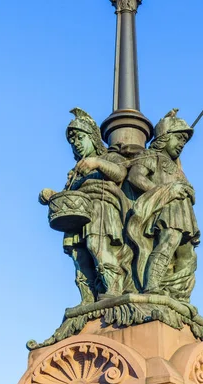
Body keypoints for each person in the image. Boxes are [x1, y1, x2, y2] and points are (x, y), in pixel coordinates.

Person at [39, 108, 134, 304]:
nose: (76, 145)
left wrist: (97, 163)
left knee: (96, 246)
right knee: (79, 256)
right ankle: (88, 298)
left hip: (101, 209)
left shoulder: (109, 157)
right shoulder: (75, 173)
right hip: (77, 216)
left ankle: (113, 290)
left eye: (80, 138)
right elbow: (71, 194)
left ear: (92, 138)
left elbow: (120, 175)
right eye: (73, 143)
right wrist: (53, 196)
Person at [126, 109, 200, 301]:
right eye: (178, 139)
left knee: (186, 254)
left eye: (184, 141)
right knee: (168, 243)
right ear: (164, 138)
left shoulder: (176, 165)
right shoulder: (152, 156)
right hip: (166, 208)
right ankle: (152, 285)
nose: (182, 144)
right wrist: (165, 192)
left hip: (183, 210)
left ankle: (177, 293)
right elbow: (135, 177)